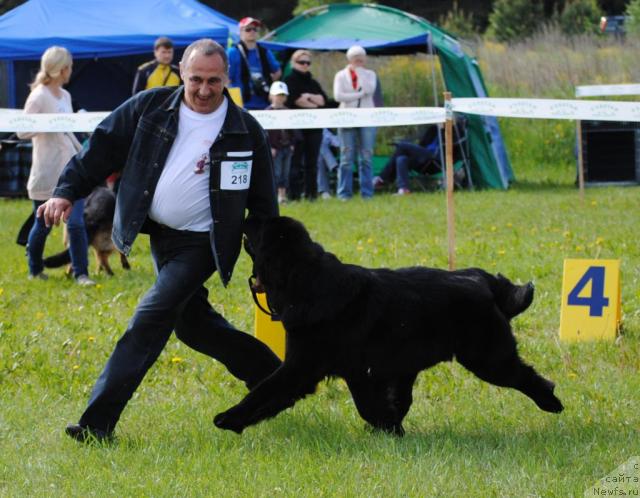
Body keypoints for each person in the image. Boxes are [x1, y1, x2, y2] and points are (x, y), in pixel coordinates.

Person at [38, 39, 282, 443]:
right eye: (196, 80)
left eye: (214, 81)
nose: (204, 90)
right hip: (159, 236)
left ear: (227, 79)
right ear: (182, 74)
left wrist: (267, 268)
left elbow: (263, 206)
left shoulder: (245, 132)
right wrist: (66, 191)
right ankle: (273, 378)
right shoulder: (149, 107)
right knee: (194, 327)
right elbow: (101, 148)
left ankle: (97, 425)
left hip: (204, 243)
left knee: (150, 316)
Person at [17, 46, 94, 286]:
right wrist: (47, 123)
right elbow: (22, 130)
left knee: (77, 222)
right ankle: (35, 268)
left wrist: (83, 152)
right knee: (43, 224)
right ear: (62, 69)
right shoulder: (38, 96)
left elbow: (67, 129)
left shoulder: (66, 96)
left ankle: (81, 273)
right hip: (47, 170)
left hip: (71, 168)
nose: (71, 71)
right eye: (69, 66)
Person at [333, 45, 378, 200]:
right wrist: (359, 94)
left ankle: (367, 193)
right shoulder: (340, 75)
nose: (359, 60)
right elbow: (338, 96)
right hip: (346, 118)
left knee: (366, 157)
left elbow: (370, 90)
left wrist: (360, 74)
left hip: (366, 118)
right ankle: (344, 194)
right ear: (349, 59)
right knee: (346, 157)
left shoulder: (370, 74)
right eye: (355, 57)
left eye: (361, 57)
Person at [284, 50, 329, 200]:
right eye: (301, 62)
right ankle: (294, 195)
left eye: (307, 63)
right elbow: (296, 100)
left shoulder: (313, 82)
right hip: (297, 128)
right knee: (296, 162)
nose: (304, 65)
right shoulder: (289, 81)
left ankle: (312, 195)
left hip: (315, 127)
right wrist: (314, 103)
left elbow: (323, 101)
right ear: (293, 63)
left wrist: (308, 97)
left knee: (312, 163)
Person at [227, 17, 282, 110]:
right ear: (240, 32)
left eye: (255, 29)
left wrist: (268, 83)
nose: (252, 32)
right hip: (242, 104)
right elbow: (226, 79)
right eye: (248, 29)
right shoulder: (232, 52)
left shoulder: (264, 52)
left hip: (264, 103)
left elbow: (277, 71)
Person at [266, 81, 294, 204]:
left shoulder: (288, 111)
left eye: (282, 95)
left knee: (285, 172)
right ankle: (276, 196)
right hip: (275, 148)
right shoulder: (267, 113)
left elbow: (292, 129)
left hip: (287, 146)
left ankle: (283, 196)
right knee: (276, 173)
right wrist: (271, 146)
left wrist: (292, 143)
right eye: (277, 95)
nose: (280, 98)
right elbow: (267, 133)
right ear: (271, 96)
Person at [317, 129, 340, 200]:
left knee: (320, 156)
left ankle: (324, 191)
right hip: (313, 151)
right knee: (320, 153)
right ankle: (336, 168)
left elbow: (337, 143)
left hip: (333, 150)